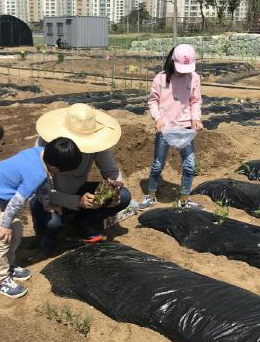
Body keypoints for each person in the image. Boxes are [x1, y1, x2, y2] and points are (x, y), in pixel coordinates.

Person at [0, 137, 82, 298]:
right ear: (55, 167)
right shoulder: (36, 173)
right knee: (1, 239)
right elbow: (17, 202)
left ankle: (8, 266)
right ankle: (0, 281)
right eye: (66, 170)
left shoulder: (40, 153)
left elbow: (43, 185)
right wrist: (5, 225)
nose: (67, 173)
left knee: (16, 229)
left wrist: (46, 204)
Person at [31, 103, 131, 250]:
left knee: (124, 196)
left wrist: (112, 191)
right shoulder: (46, 146)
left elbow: (112, 172)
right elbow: (41, 190)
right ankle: (48, 234)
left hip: (76, 190)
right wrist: (78, 201)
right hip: (46, 197)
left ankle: (82, 222)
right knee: (52, 223)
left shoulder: (96, 145)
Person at [139, 44, 203, 210]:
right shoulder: (161, 78)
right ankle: (151, 195)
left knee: (189, 165)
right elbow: (153, 101)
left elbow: (195, 101)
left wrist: (196, 118)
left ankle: (184, 198)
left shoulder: (194, 78)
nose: (183, 72)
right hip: (165, 128)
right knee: (158, 165)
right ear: (172, 61)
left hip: (185, 128)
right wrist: (158, 118)